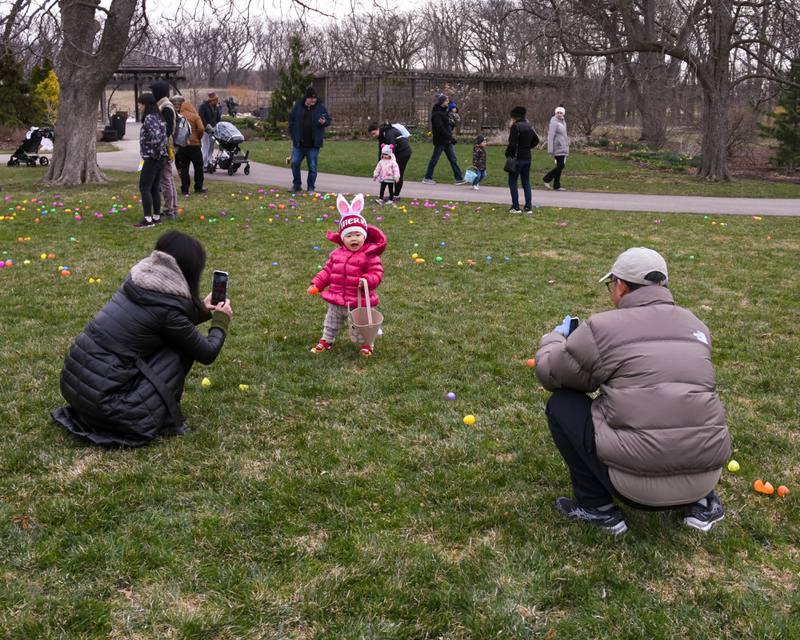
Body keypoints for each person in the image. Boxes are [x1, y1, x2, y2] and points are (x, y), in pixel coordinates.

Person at [534, 247, 732, 535]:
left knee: (561, 404)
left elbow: (552, 373)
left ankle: (597, 508)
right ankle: (703, 502)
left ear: (621, 285)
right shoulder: (696, 325)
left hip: (635, 488)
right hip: (705, 479)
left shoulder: (602, 327)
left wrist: (555, 338)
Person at [51, 231, 233, 447]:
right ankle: (164, 421)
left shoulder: (138, 283)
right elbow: (206, 352)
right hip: (111, 406)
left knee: (174, 340)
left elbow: (161, 322)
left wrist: (203, 310)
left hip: (77, 390)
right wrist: (221, 320)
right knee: (181, 348)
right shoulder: (167, 311)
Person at [307, 194, 386, 357]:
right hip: (337, 297)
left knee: (363, 324)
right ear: (343, 239)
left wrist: (367, 280)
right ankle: (326, 340)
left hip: (359, 301)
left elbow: (377, 273)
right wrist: (317, 284)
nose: (354, 238)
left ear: (364, 236)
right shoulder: (336, 254)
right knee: (331, 322)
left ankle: (367, 344)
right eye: (349, 236)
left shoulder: (370, 255)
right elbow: (327, 271)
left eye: (357, 235)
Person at [288, 86, 332, 192]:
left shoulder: (320, 107)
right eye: (311, 98)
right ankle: (296, 185)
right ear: (306, 98)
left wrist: (324, 122)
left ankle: (311, 187)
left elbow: (328, 119)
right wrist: (293, 136)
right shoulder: (298, 106)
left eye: (315, 98)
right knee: (295, 163)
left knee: (312, 166)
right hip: (299, 144)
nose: (313, 100)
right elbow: (291, 121)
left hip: (313, 144)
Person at [134, 93, 167, 228]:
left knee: (144, 187)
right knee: (154, 188)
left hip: (153, 158)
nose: (139, 106)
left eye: (140, 104)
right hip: (160, 158)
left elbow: (156, 138)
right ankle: (156, 217)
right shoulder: (159, 117)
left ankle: (148, 220)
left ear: (146, 105)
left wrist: (154, 155)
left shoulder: (149, 119)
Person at [422, 93, 466, 185]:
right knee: (434, 159)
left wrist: (451, 124)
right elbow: (440, 128)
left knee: (453, 159)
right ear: (442, 102)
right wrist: (451, 137)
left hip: (447, 140)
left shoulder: (444, 111)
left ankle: (459, 178)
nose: (448, 102)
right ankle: (427, 178)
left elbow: (446, 124)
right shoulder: (437, 114)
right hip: (440, 141)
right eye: (446, 100)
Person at [150, 80, 178, 218]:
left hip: (165, 147)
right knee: (168, 178)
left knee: (165, 179)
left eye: (154, 91)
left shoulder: (166, 107)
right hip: (166, 146)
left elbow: (166, 130)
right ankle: (173, 207)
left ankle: (169, 210)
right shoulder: (164, 105)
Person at [505, 106, 539, 214]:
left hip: (517, 158)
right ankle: (528, 207)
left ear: (514, 117)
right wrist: (527, 147)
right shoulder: (529, 126)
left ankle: (515, 207)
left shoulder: (515, 127)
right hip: (527, 157)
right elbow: (536, 140)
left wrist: (508, 154)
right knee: (526, 182)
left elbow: (512, 144)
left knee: (513, 182)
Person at [171, 95, 207, 196]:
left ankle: (185, 189)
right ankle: (198, 187)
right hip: (194, 145)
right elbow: (201, 129)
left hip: (182, 145)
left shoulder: (177, 116)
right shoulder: (195, 116)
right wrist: (198, 138)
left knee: (184, 168)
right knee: (198, 166)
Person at [367, 121, 412, 198]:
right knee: (391, 170)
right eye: (372, 134)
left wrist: (389, 162)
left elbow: (392, 148)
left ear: (378, 129)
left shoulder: (388, 133)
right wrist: (380, 163)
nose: (373, 136)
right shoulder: (381, 135)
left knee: (397, 172)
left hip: (404, 152)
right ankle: (392, 194)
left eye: (374, 133)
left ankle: (396, 196)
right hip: (397, 151)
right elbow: (381, 150)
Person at [543, 106, 569, 191]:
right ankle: (546, 179)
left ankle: (556, 185)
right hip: (557, 148)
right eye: (557, 112)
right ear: (555, 113)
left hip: (563, 147)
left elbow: (563, 135)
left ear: (563, 113)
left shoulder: (563, 122)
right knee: (561, 165)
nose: (559, 114)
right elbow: (550, 136)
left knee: (559, 166)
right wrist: (550, 149)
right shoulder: (554, 122)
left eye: (561, 112)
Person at [199, 92, 223, 169]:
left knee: (211, 147)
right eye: (215, 100)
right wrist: (207, 126)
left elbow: (218, 118)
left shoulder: (216, 107)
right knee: (205, 146)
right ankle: (203, 164)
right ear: (211, 100)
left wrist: (218, 126)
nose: (217, 101)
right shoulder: (203, 106)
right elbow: (201, 117)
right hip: (205, 130)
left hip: (213, 130)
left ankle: (209, 162)